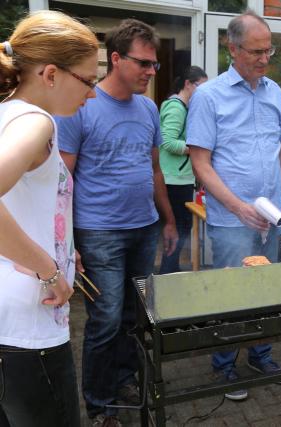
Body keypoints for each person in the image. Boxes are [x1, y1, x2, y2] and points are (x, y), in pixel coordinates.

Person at [56, 19, 178, 426]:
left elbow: (155, 169)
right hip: (99, 232)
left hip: (144, 229)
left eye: (154, 65)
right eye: (143, 63)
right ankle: (99, 403)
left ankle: (125, 381)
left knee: (134, 316)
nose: (150, 72)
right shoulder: (81, 106)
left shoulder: (148, 108)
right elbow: (63, 180)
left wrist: (168, 220)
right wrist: (68, 240)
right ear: (115, 59)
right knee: (105, 320)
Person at [188, 10, 281, 402]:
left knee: (265, 288)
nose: (264, 58)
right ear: (232, 49)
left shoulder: (275, 93)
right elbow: (200, 162)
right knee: (233, 291)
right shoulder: (207, 97)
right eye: (256, 51)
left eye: (269, 50)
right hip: (231, 219)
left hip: (272, 218)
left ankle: (260, 354)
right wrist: (237, 207)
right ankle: (223, 365)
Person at [0, 10, 98, 427]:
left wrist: (60, 255)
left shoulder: (6, 112)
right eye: (89, 80)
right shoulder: (36, 122)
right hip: (29, 331)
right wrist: (47, 269)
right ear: (51, 74)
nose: (93, 94)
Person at [158, 65, 208, 274]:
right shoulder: (177, 107)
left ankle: (171, 271)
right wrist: (195, 150)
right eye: (200, 87)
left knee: (181, 229)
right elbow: (167, 141)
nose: (203, 93)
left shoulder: (183, 107)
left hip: (180, 177)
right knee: (179, 229)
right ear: (188, 84)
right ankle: (168, 275)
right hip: (174, 179)